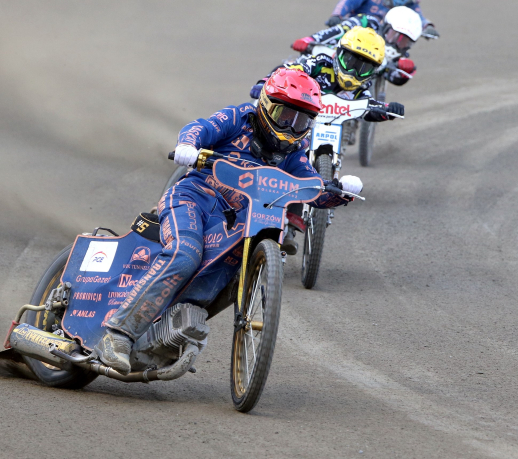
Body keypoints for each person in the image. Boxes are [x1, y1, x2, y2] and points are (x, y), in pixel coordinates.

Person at [93, 68, 366, 374]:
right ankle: (117, 334)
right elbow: (200, 128)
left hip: (233, 220)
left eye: (302, 120)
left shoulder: (295, 152)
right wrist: (188, 146)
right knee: (185, 255)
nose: (291, 126)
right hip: (192, 198)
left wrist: (340, 192)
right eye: (285, 114)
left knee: (224, 272)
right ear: (265, 104)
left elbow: (312, 187)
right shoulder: (239, 118)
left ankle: (168, 333)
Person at [251, 26, 405, 254]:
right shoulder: (319, 63)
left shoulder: (362, 90)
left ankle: (294, 219)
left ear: (373, 72)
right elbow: (287, 70)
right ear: (338, 53)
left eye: (364, 68)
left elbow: (368, 107)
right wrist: (266, 81)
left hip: (327, 133)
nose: (354, 71)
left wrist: (385, 110)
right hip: (294, 123)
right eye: (351, 60)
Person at [292, 6, 424, 88]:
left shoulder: (400, 57)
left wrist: (407, 71)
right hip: (334, 53)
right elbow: (339, 30)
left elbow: (394, 77)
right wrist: (310, 40)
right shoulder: (366, 21)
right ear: (385, 26)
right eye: (394, 35)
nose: (396, 44)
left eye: (404, 42)